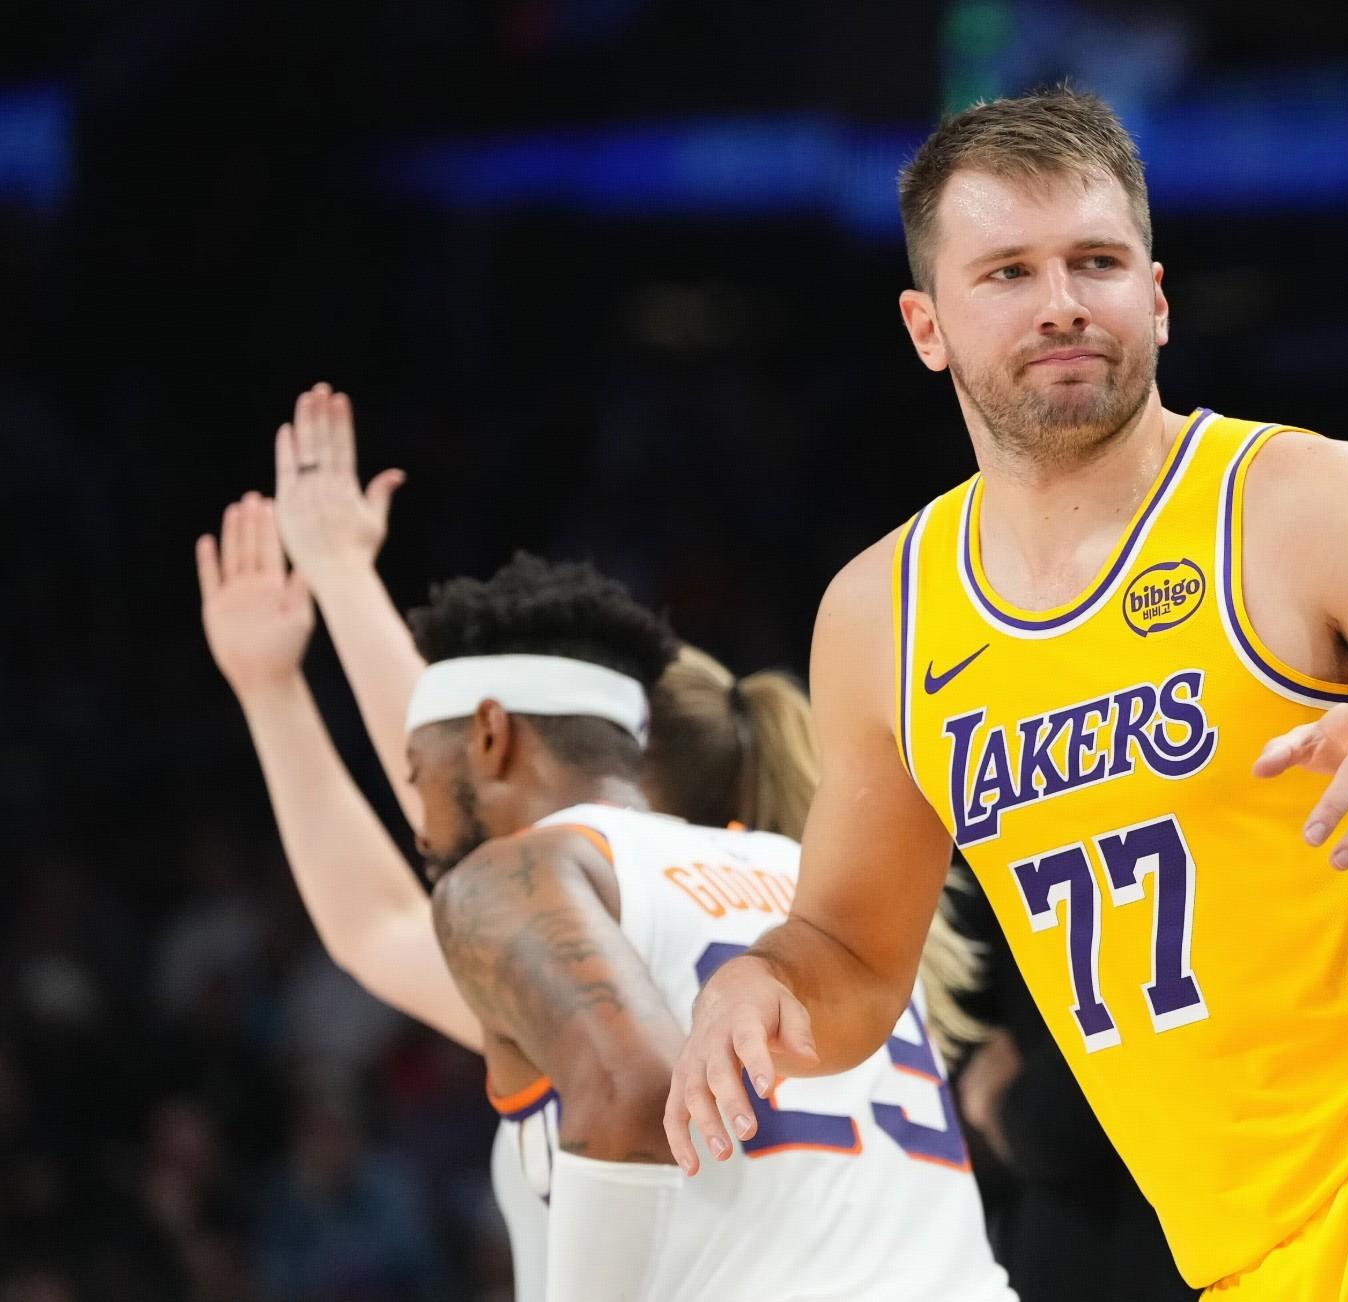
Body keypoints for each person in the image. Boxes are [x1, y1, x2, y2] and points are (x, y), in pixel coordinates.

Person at [666, 86, 1348, 1299]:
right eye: (1008, 272)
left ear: (1155, 297)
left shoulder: (1303, 504)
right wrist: (760, 981)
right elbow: (849, 951)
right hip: (1246, 1258)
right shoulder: (883, 615)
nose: (1061, 302)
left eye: (1096, 262)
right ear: (926, 324)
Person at [196, 392, 1008, 1301]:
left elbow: (398, 923)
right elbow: (405, 894)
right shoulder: (803, 888)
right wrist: (317, 614)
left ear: (492, 735)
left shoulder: (555, 894)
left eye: (419, 775)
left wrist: (301, 645)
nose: (420, 826)